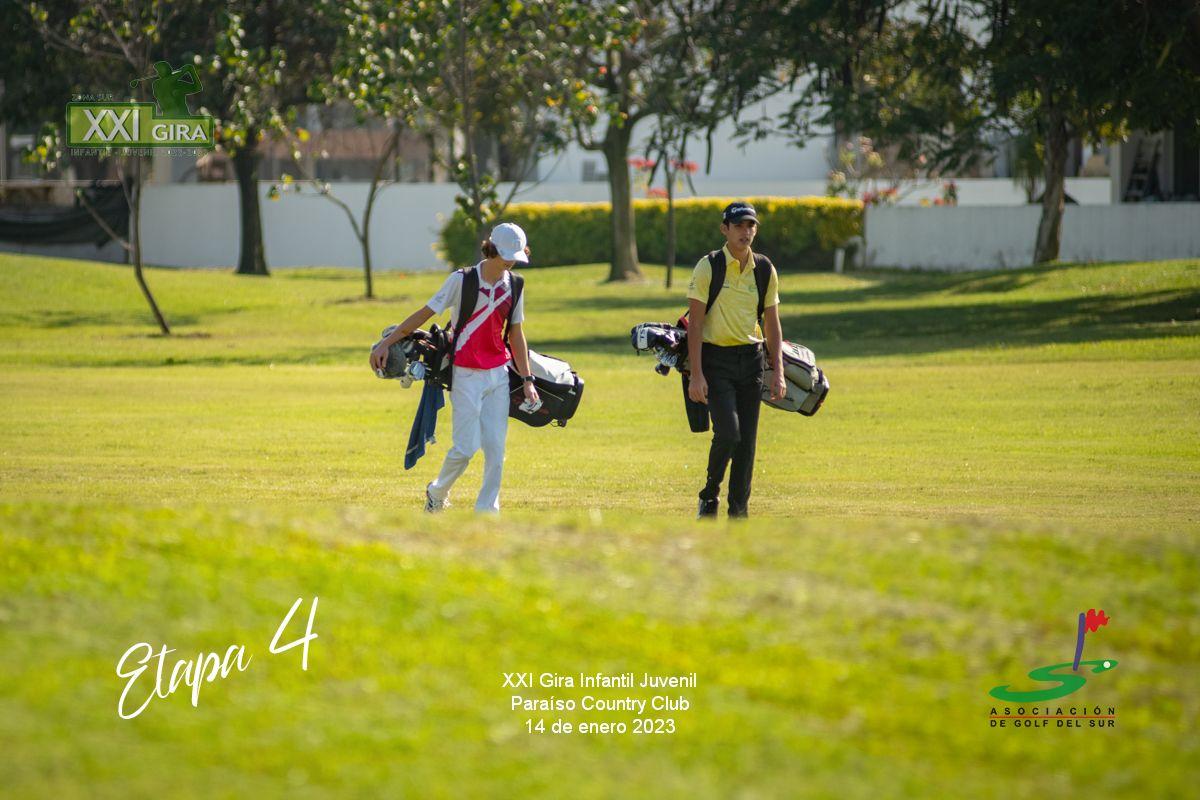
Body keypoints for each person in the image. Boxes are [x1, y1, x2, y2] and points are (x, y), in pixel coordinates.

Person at [370, 222, 539, 513]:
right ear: (492, 249)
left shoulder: (515, 285)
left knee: (496, 450)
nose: (511, 262)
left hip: (498, 374)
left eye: (515, 256)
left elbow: (515, 334)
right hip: (466, 374)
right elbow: (424, 314)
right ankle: (437, 492)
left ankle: (488, 512)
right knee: (465, 449)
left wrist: (527, 380)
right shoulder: (462, 280)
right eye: (506, 255)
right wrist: (386, 343)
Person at [686, 202, 786, 519]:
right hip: (716, 361)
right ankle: (709, 495)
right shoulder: (709, 267)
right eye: (739, 225)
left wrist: (778, 371)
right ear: (725, 229)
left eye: (750, 225)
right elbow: (695, 325)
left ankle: (739, 513)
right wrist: (696, 375)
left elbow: (772, 324)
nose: (746, 231)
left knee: (747, 444)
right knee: (729, 433)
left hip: (751, 360)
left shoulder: (765, 269)